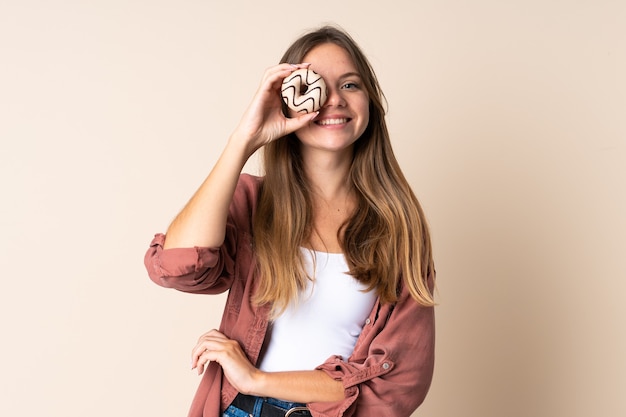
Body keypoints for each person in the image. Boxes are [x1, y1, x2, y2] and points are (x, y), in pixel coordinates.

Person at [144, 25, 436, 417]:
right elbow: (175, 267)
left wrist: (257, 380)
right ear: (287, 99)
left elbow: (400, 381)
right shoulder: (253, 202)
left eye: (350, 85)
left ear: (370, 102)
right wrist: (244, 139)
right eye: (315, 85)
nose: (333, 100)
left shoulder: (397, 227)